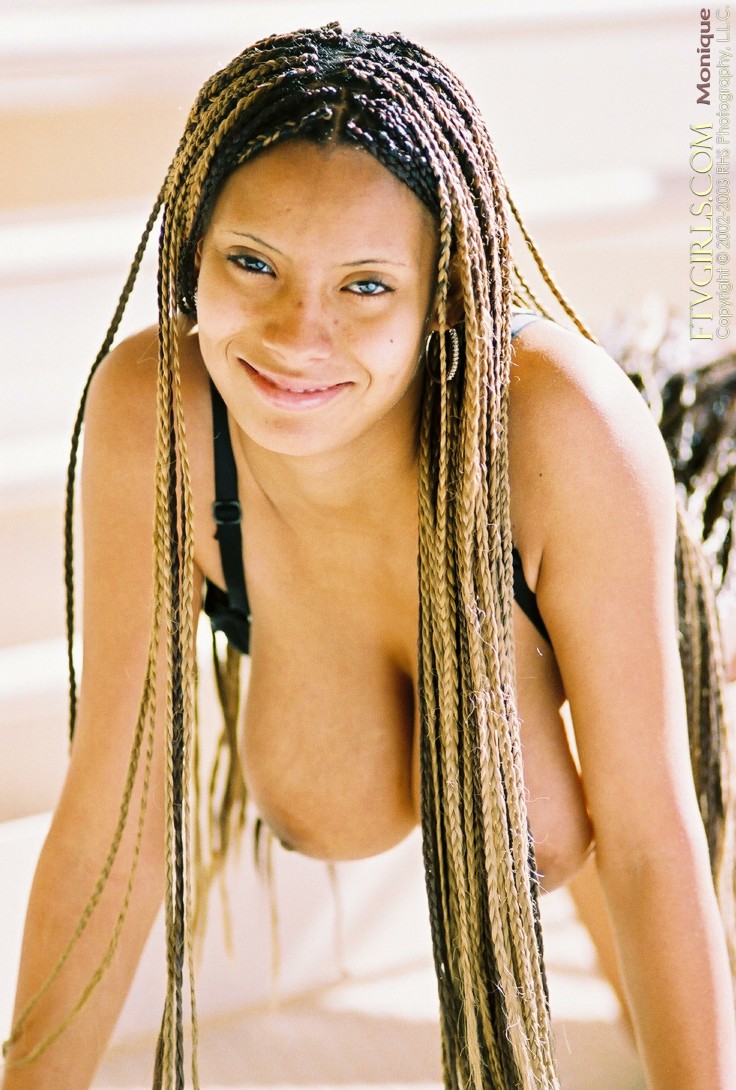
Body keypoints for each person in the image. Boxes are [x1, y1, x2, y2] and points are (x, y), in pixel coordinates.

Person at [3, 22, 735, 1090]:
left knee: (625, 898)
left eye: (365, 286)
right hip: (493, 591)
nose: (297, 335)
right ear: (191, 253)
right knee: (427, 790)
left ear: (442, 292)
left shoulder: (567, 430)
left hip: (682, 522)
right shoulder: (153, 414)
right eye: (252, 262)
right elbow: (112, 822)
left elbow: (649, 839)